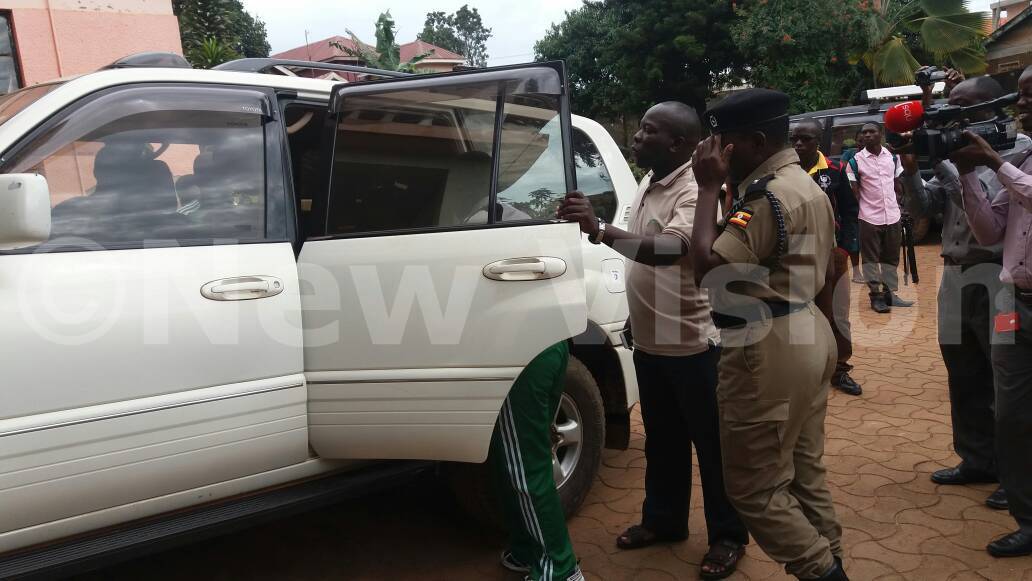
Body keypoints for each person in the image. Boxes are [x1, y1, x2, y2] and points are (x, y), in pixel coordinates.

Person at [557, 101, 748, 580]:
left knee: (712, 446)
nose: (638, 137)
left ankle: (728, 536)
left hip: (693, 343)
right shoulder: (649, 181)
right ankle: (664, 522)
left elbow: (671, 251)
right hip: (652, 339)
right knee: (663, 440)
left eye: (649, 130)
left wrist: (599, 230)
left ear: (679, 144)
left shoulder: (695, 190)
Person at [689, 88, 846, 580]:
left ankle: (823, 571)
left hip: (767, 346)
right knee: (803, 469)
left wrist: (708, 187)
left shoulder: (767, 196)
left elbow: (707, 269)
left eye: (723, 141)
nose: (714, 152)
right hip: (805, 331)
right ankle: (831, 556)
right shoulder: (801, 182)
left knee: (755, 488)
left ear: (755, 141)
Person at [900, 71, 1029, 513]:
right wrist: (913, 172)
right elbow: (924, 209)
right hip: (955, 274)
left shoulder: (1018, 154)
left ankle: (1011, 474)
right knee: (963, 370)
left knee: (1005, 382)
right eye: (949, 102)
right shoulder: (950, 152)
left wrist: (972, 166)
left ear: (990, 110)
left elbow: (995, 229)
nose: (949, 111)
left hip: (997, 276)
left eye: (962, 104)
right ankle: (976, 460)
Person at [950, 64, 1032, 559]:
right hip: (1013, 303)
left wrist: (994, 163)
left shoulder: (1014, 161)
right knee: (1014, 417)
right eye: (1020, 96)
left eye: (1031, 95)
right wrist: (966, 176)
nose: (1022, 105)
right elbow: (989, 231)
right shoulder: (1024, 154)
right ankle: (1027, 518)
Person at [489, 342, 584, 581]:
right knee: (514, 458)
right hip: (547, 342)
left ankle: (560, 569)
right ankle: (527, 550)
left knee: (524, 467)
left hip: (521, 355)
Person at [791, 120, 863, 397]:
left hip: (832, 255)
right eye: (794, 139)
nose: (798, 144)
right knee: (800, 314)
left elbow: (850, 210)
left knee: (838, 314)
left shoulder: (834, 171)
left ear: (818, 141)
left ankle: (840, 369)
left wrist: (845, 249)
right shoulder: (784, 173)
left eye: (805, 139)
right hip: (796, 256)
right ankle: (806, 371)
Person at [846, 123, 914, 313]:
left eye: (872, 131)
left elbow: (898, 184)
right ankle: (876, 297)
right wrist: (866, 209)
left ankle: (889, 294)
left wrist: (901, 206)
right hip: (869, 218)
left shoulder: (892, 157)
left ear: (881, 134)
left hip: (893, 215)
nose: (868, 135)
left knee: (891, 258)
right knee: (870, 260)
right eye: (864, 133)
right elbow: (855, 192)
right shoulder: (855, 162)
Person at [837, 130, 864, 284]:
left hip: (871, 203)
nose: (862, 144)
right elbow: (846, 174)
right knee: (853, 239)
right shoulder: (849, 155)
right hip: (853, 201)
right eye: (859, 141)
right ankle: (856, 272)